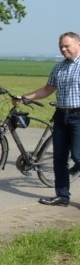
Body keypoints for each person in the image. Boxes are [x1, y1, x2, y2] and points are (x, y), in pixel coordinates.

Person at [14, 32, 80, 206]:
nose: (63, 49)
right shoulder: (58, 68)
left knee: (78, 156)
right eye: (61, 47)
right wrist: (26, 97)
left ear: (78, 45)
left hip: (78, 116)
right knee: (59, 158)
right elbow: (47, 89)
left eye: (67, 46)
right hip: (61, 116)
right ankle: (62, 196)